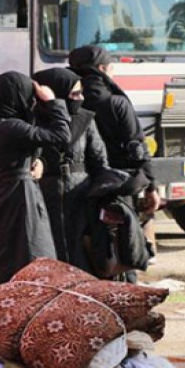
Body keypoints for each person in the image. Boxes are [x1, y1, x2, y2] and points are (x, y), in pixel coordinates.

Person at [0, 72, 71, 294]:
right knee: (30, 258)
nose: (31, 103)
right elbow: (61, 137)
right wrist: (53, 103)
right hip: (17, 201)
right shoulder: (9, 127)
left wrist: (36, 162)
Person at [69, 46, 161, 281]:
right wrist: (152, 186)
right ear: (101, 69)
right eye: (111, 68)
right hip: (117, 187)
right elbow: (137, 147)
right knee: (121, 247)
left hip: (77, 188)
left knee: (83, 250)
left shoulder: (67, 100)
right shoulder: (116, 102)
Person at [32, 68, 110, 272]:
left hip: (80, 196)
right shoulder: (33, 121)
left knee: (79, 251)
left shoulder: (85, 119)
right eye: (74, 94)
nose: (80, 98)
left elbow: (99, 159)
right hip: (43, 196)